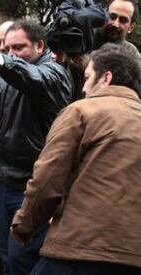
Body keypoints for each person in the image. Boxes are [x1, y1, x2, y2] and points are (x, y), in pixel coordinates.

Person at [12, 43, 141, 275]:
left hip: (79, 249)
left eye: (87, 77)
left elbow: (47, 179)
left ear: (106, 77)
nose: (83, 88)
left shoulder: (82, 111)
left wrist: (24, 226)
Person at [0, 20, 72, 274]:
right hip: (5, 185)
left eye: (19, 47)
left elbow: (33, 78)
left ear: (40, 45)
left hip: (32, 189)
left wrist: (2, 61)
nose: (12, 54)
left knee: (24, 260)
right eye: (7, 48)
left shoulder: (53, 73)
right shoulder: (2, 73)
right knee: (5, 258)